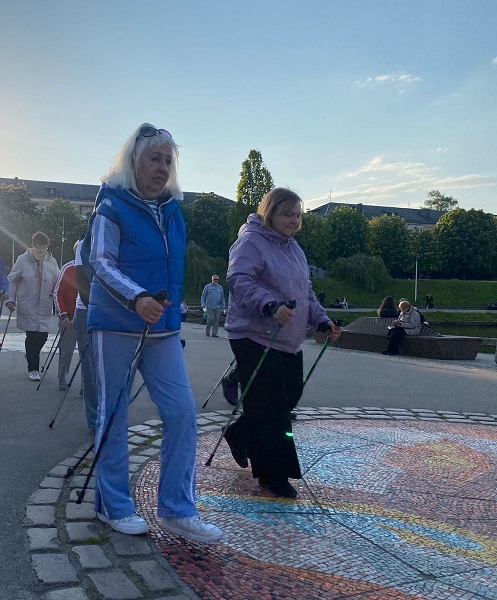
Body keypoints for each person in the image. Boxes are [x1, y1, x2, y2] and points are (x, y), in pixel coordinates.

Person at [86, 123, 222, 543]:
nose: (162, 168)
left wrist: (167, 308)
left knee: (182, 412)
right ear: (134, 162)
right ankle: (113, 504)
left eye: (168, 161)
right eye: (154, 159)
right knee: (114, 414)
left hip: (162, 330)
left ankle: (178, 508)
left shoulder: (174, 211)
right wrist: (136, 297)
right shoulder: (111, 205)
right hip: (116, 324)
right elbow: (100, 261)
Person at [223, 188, 341, 498]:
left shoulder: (294, 248)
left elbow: (305, 292)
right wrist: (269, 305)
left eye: (298, 215)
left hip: (287, 338)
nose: (294, 221)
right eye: (288, 214)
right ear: (269, 213)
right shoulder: (250, 241)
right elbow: (239, 280)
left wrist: (322, 320)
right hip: (254, 334)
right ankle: (272, 476)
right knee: (271, 408)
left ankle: (239, 432)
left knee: (290, 396)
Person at [6, 232, 60, 381]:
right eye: (39, 247)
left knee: (43, 336)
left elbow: (58, 281)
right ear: (33, 246)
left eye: (44, 248)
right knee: (32, 337)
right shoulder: (22, 260)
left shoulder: (52, 261)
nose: (42, 251)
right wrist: (11, 299)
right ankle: (33, 370)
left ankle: (30, 353)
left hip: (45, 306)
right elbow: (12, 280)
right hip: (27, 305)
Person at [73, 239, 98, 431]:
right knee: (90, 366)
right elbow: (83, 285)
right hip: (87, 311)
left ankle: (109, 413)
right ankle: (94, 418)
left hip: (110, 311)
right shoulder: (84, 244)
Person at [53, 245, 79, 391]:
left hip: (87, 317)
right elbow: (58, 293)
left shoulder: (93, 267)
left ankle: (86, 386)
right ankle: (62, 377)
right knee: (67, 350)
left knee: (88, 354)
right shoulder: (68, 268)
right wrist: (63, 315)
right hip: (69, 317)